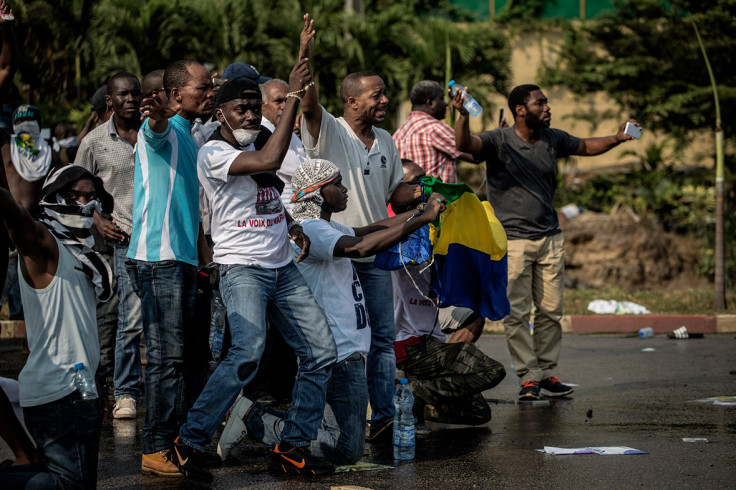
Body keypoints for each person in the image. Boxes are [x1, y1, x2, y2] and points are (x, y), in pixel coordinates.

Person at [173, 47, 337, 481]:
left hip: (281, 265)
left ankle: (292, 446)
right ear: (221, 112)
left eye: (252, 108)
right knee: (246, 353)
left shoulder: (266, 140)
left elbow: (279, 186)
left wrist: (292, 223)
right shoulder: (212, 153)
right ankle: (188, 441)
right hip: (241, 267)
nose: (248, 116)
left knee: (321, 352)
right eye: (239, 109)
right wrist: (296, 96)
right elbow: (266, 164)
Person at [219, 158, 446, 465]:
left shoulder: (325, 226)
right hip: (337, 351)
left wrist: (419, 212)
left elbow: (366, 231)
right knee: (345, 449)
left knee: (341, 442)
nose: (345, 188)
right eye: (337, 184)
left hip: (347, 350)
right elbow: (362, 248)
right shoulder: (313, 229)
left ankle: (259, 420)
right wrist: (419, 220)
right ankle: (254, 419)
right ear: (317, 191)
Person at [453, 83, 639, 400]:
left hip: (550, 239)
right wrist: (461, 116)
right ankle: (529, 377)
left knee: (551, 311)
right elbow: (464, 144)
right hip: (512, 243)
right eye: (541, 103)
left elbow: (586, 146)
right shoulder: (499, 141)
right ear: (521, 110)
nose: (548, 108)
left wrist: (618, 138)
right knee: (517, 314)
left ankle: (547, 372)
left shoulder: (552, 139)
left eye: (547, 102)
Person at [300, 13, 422, 441]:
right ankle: (336, 419)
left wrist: (421, 192)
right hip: (336, 256)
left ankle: (384, 417)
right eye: (377, 94)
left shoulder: (387, 139)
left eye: (385, 93)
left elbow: (394, 193)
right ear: (351, 101)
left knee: (384, 341)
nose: (384, 100)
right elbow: (309, 102)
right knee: (345, 343)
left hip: (376, 252)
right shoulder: (328, 129)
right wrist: (304, 56)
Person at [0, 164, 114, 488]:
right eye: (72, 195)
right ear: (53, 197)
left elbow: (83, 330)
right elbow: (15, 215)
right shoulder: (45, 246)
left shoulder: (85, 259)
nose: (83, 203)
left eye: (90, 197)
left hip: (81, 393)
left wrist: (97, 386)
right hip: (59, 396)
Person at [127, 59, 215, 477]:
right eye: (204, 88)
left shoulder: (194, 136)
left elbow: (190, 207)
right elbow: (154, 130)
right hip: (157, 259)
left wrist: (202, 253)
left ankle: (183, 441)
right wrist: (159, 117)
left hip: (183, 260)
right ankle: (156, 446)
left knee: (194, 356)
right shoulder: (159, 130)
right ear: (175, 95)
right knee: (166, 357)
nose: (211, 92)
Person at [75, 71, 143, 420]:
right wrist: (98, 220)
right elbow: (75, 193)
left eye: (135, 93)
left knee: (159, 321)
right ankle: (125, 392)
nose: (130, 99)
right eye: (123, 94)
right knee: (126, 319)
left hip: (160, 238)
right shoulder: (94, 142)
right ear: (110, 101)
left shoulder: (155, 133)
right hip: (122, 241)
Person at [393, 80, 476, 184]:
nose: (445, 103)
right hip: (439, 199)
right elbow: (474, 154)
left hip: (411, 197)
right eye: (441, 98)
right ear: (430, 102)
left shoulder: (397, 134)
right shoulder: (435, 129)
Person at [261, 78, 306, 212]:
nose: (285, 106)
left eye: (289, 100)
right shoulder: (264, 133)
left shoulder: (285, 131)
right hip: (286, 216)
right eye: (278, 101)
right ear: (263, 105)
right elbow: (303, 170)